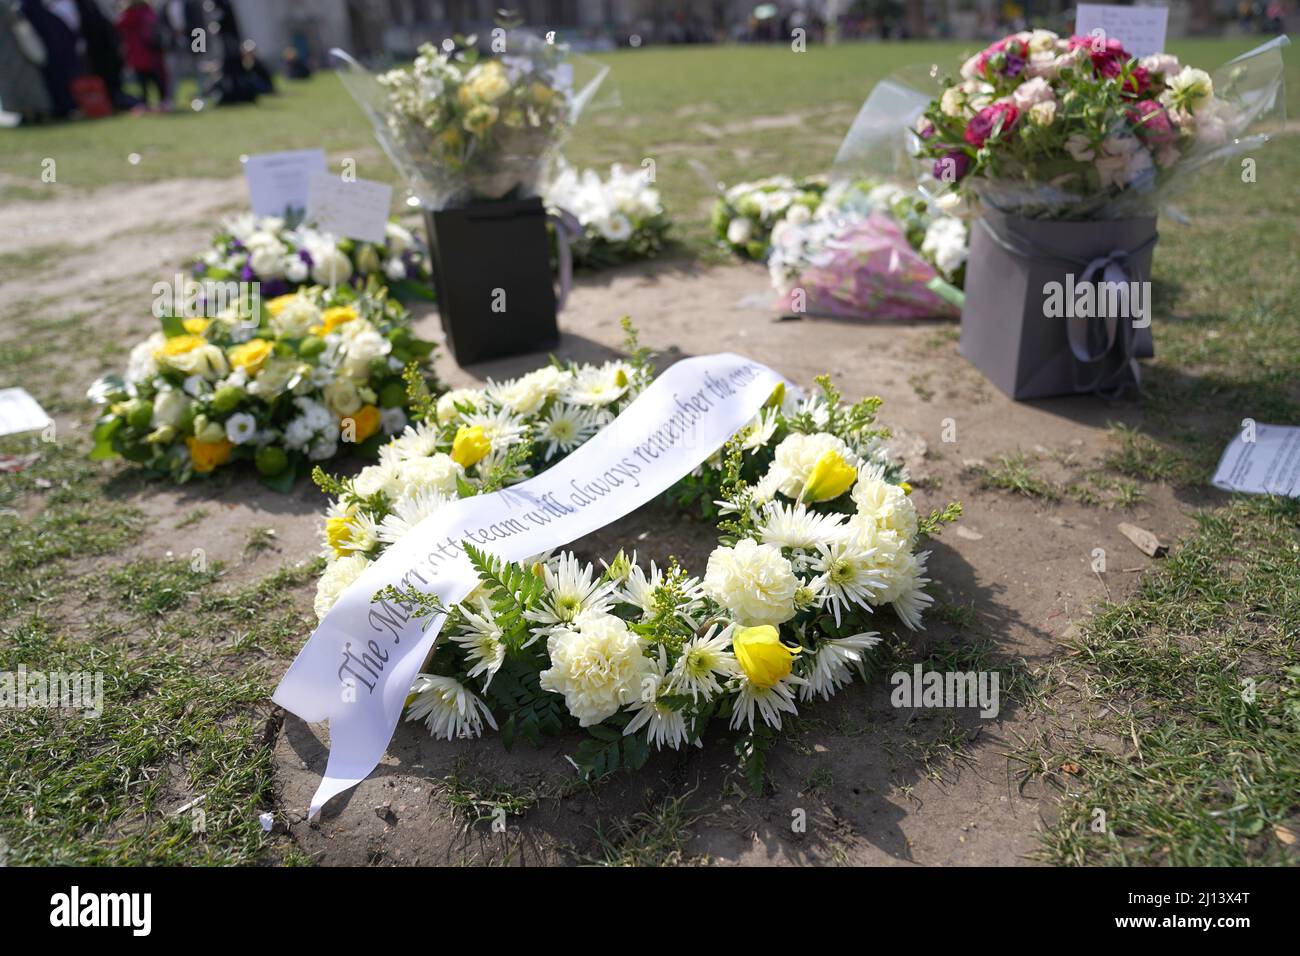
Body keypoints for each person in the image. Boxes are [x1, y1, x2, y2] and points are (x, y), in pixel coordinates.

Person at [21, 0, 78, 116]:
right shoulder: (32, 8)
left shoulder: (30, 8)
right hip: (48, 50)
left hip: (51, 50)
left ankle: (64, 106)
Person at [0, 0, 52, 123]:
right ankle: (26, 113)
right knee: (19, 83)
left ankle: (34, 112)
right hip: (8, 48)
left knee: (26, 82)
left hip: (16, 47)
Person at [116, 0, 169, 110]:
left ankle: (146, 104)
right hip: (153, 51)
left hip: (139, 53)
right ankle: (163, 102)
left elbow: (118, 25)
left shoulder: (130, 13)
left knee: (143, 81)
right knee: (156, 79)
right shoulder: (148, 11)